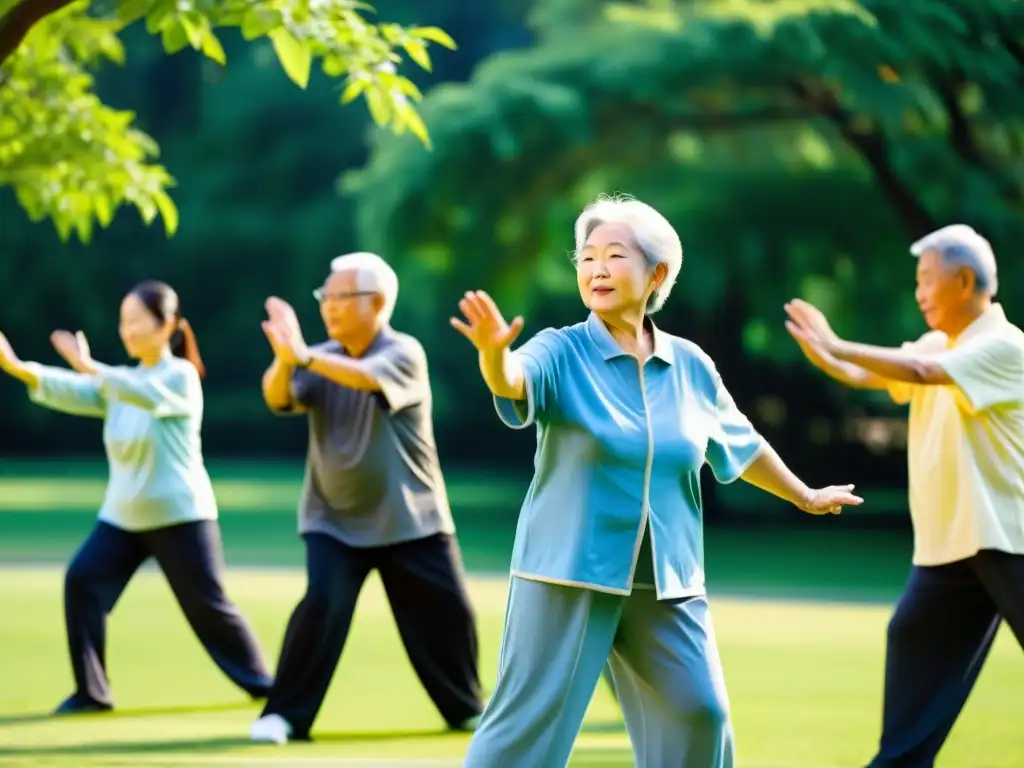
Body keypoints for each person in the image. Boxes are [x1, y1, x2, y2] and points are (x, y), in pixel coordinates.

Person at [450, 194, 863, 768]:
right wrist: (494, 355)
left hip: (667, 579)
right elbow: (514, 379)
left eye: (614, 255)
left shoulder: (690, 364)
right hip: (568, 571)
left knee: (701, 713)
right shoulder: (560, 350)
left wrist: (804, 494)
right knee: (527, 731)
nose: (596, 268)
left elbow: (740, 443)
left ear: (656, 274)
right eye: (587, 257)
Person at [785, 223, 1024, 768]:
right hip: (953, 548)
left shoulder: (1002, 346)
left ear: (964, 282)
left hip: (1011, 540)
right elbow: (864, 371)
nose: (918, 292)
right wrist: (825, 353)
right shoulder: (942, 344)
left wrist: (838, 344)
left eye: (926, 280)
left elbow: (918, 371)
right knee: (912, 637)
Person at [0, 280, 273, 715]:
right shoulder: (120, 381)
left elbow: (140, 393)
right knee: (82, 582)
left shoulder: (178, 377)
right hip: (123, 517)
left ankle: (265, 685)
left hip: (180, 515)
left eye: (135, 321)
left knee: (209, 607)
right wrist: (18, 367)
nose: (125, 330)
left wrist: (93, 368)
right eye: (122, 321)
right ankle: (92, 692)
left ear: (167, 326)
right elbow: (78, 390)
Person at [249, 252, 484, 744]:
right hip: (332, 518)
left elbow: (368, 377)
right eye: (325, 298)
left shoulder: (403, 352)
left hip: (411, 518)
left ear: (376, 303)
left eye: (339, 297)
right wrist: (285, 357)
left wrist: (305, 356)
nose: (328, 307)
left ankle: (466, 709)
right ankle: (285, 716)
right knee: (321, 607)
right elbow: (277, 398)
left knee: (447, 614)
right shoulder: (318, 355)